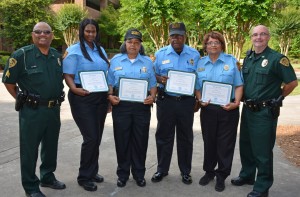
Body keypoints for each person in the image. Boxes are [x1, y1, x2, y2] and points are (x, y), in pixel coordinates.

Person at [231, 25, 298, 197]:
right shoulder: (249, 58)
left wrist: (279, 97)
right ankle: (247, 175)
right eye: (255, 35)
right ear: (251, 38)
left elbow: (292, 83)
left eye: (262, 34)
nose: (258, 37)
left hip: (264, 112)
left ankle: (262, 186)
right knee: (246, 146)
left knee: (262, 151)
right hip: (248, 109)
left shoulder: (277, 59)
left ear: (268, 37)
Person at [2, 22, 66, 197]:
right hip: (32, 111)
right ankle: (30, 187)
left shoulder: (56, 56)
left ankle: (47, 176)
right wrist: (22, 99)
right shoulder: (21, 55)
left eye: (46, 32)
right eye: (38, 32)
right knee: (30, 149)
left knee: (51, 146)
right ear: (33, 35)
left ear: (52, 35)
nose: (42, 35)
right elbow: (8, 82)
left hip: (53, 109)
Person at [63, 19, 110, 192]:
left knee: (96, 137)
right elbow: (68, 74)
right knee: (90, 137)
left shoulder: (100, 49)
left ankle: (92, 171)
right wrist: (74, 89)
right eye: (87, 31)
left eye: (93, 31)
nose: (91, 34)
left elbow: (105, 73)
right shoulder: (73, 50)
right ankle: (84, 177)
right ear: (82, 31)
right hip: (82, 98)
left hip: (99, 97)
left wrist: (108, 96)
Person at [151, 22, 200, 184]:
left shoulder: (195, 55)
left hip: (186, 102)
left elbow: (199, 79)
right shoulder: (160, 54)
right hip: (166, 101)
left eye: (179, 35)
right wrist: (159, 79)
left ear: (185, 36)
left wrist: (198, 99)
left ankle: (185, 171)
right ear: (168, 36)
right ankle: (161, 169)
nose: (176, 38)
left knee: (185, 137)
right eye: (173, 35)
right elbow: (153, 75)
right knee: (164, 136)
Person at [107, 28, 157, 188]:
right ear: (125, 43)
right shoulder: (116, 60)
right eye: (130, 42)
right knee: (122, 140)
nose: (133, 45)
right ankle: (122, 174)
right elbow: (109, 82)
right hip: (121, 106)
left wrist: (153, 97)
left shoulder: (148, 62)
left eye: (136, 42)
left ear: (140, 45)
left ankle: (139, 174)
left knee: (140, 141)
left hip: (142, 107)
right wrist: (109, 96)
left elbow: (153, 84)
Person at [195, 31, 243, 192]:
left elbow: (238, 85)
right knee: (209, 142)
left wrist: (236, 103)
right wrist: (200, 99)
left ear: (222, 44)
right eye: (209, 42)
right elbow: (197, 86)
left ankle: (221, 175)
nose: (213, 45)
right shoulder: (200, 64)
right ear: (205, 46)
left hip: (228, 109)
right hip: (208, 109)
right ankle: (209, 172)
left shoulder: (231, 62)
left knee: (225, 144)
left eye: (216, 42)